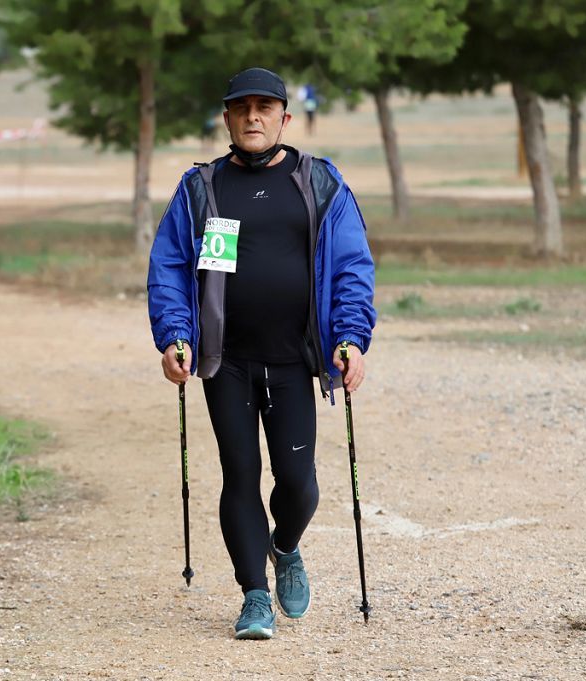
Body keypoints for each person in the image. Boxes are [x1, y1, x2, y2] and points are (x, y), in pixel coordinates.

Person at [147, 67, 376, 641]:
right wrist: (175, 335)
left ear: (284, 118)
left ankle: (285, 547)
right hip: (227, 361)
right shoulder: (203, 188)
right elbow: (171, 267)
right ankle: (253, 595)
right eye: (241, 107)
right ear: (225, 118)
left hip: (295, 359)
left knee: (298, 481)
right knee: (240, 474)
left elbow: (351, 266)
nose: (253, 117)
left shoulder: (319, 182)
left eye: (264, 108)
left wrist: (351, 337)